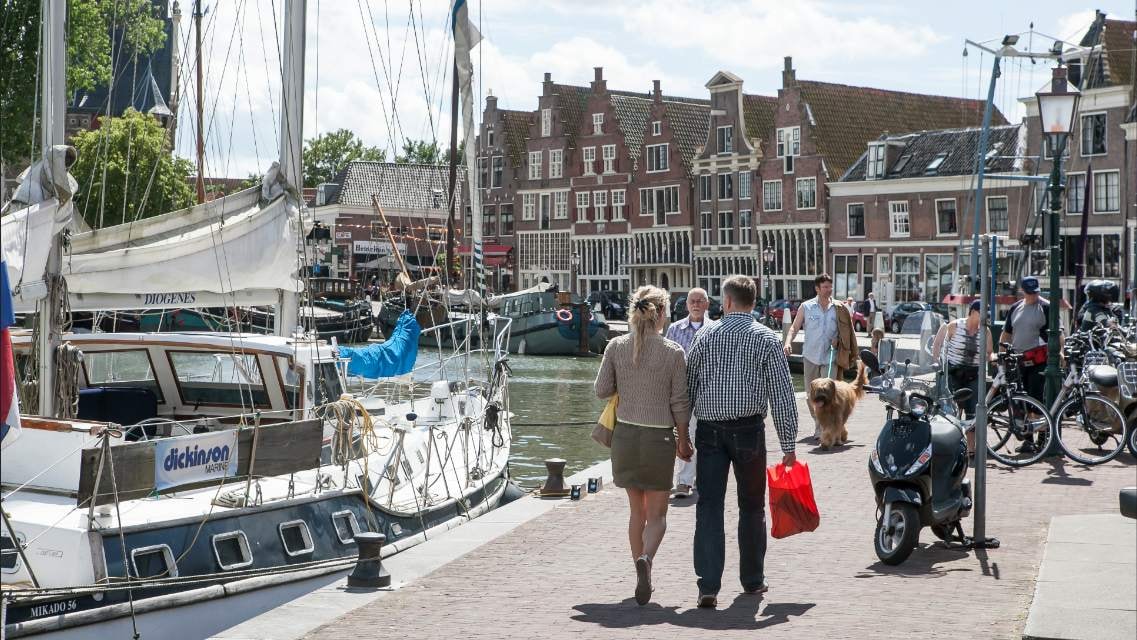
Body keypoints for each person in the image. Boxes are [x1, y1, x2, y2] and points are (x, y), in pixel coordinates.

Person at [686, 275, 798, 608]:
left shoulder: (705, 335)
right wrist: (788, 443)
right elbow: (782, 394)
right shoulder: (766, 338)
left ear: (727, 301)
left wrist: (679, 433)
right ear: (752, 302)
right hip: (749, 430)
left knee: (709, 506)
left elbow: (688, 386)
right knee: (751, 506)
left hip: (709, 431)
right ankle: (752, 580)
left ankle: (708, 585)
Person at [594, 285, 692, 606]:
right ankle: (646, 560)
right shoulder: (673, 352)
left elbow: (601, 390)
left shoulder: (616, 346)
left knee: (637, 512)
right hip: (658, 439)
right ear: (661, 313)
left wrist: (627, 384)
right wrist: (684, 440)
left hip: (625, 438)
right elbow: (680, 402)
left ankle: (641, 574)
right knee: (658, 515)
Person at [664, 287, 717, 499]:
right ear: (686, 305)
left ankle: (703, 478)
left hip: (709, 391)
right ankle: (684, 481)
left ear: (707, 304)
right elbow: (666, 360)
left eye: (699, 301)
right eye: (692, 301)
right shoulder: (674, 329)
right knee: (685, 434)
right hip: (683, 391)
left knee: (708, 437)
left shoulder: (716, 329)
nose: (695, 304)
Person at [999, 276, 1060, 453]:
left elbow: (1058, 333)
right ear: (1023, 291)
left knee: (1036, 400)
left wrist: (1060, 352)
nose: (1034, 296)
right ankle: (1028, 441)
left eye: (1036, 292)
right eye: (1030, 293)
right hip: (1018, 360)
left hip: (1039, 360)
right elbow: (1007, 333)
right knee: (1021, 401)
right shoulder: (1015, 307)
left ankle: (1042, 440)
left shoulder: (1046, 307)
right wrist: (1001, 355)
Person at [931, 300, 994, 453]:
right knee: (951, 411)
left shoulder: (985, 331)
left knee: (972, 413)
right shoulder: (955, 326)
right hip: (954, 374)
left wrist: (993, 358)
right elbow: (937, 344)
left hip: (973, 375)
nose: (986, 317)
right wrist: (937, 362)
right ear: (973, 312)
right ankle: (950, 446)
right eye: (983, 313)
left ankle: (971, 450)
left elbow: (989, 353)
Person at [784, 273, 840, 440]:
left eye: (830, 287)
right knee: (811, 394)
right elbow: (794, 327)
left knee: (829, 393)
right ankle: (817, 423)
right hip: (810, 356)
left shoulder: (838, 307)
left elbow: (846, 330)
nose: (829, 290)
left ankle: (825, 427)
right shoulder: (806, 307)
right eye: (825, 287)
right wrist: (788, 342)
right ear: (817, 288)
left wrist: (839, 339)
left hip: (830, 356)